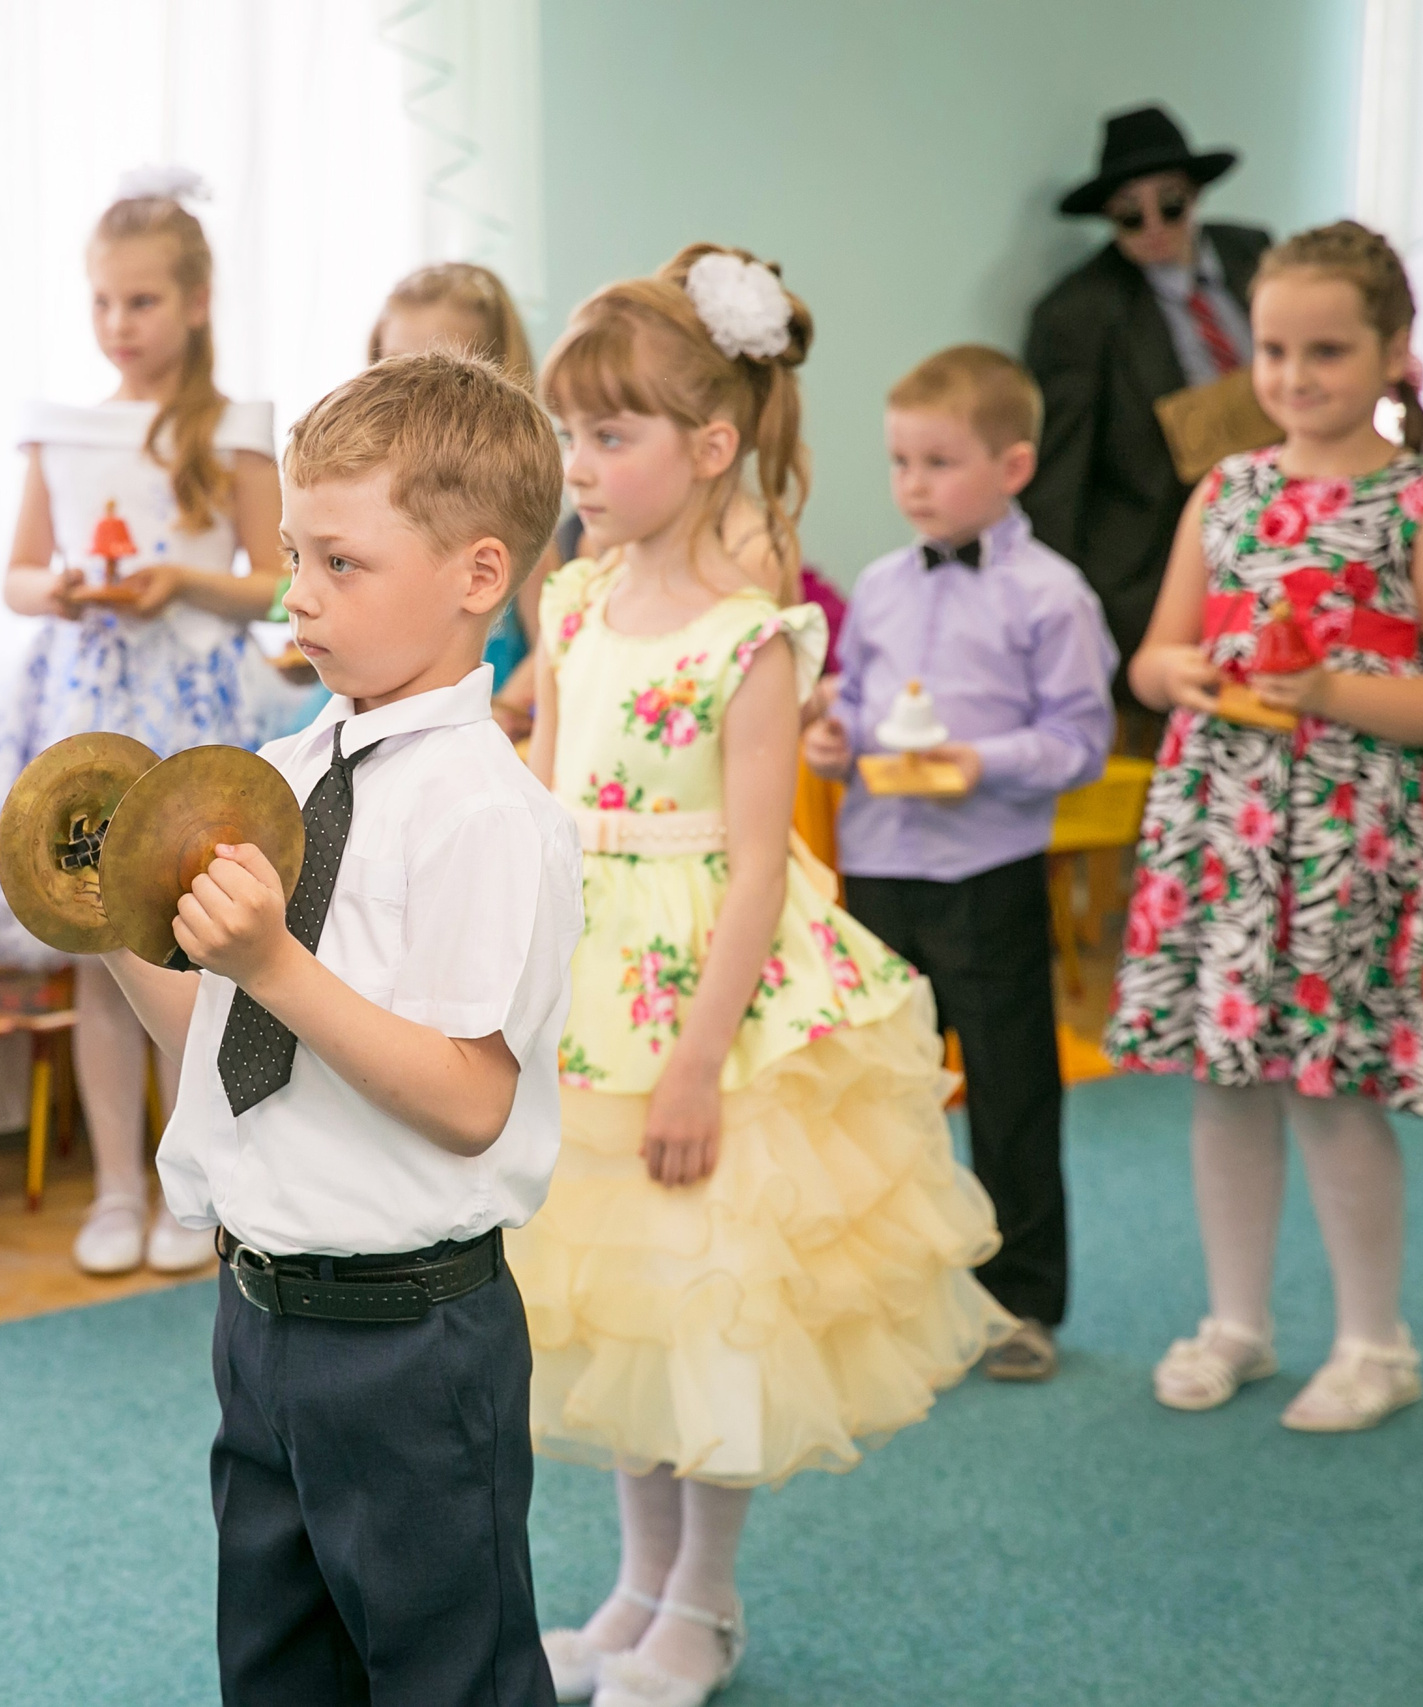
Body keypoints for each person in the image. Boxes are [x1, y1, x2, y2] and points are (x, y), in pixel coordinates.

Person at [513, 248, 1010, 1707]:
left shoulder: (755, 638)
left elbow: (757, 864)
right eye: (570, 433)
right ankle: (631, 1582)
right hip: (587, 986)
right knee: (620, 1309)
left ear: (710, 444)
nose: (580, 464)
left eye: (613, 435)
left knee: (709, 1296)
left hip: (703, 1003)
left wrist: (691, 1061)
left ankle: (704, 1602)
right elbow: (544, 808)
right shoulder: (572, 605)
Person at [102, 350, 580, 1705]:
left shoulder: (487, 813)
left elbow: (467, 1095)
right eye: (291, 554)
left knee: (449, 1675)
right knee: (275, 1667)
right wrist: (123, 930)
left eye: (341, 563)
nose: (295, 593)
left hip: (410, 1339)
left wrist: (276, 958)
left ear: (478, 577)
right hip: (258, 1308)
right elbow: (224, 1032)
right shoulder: (296, 763)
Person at [1107, 222, 1423, 1433]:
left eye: (1326, 350)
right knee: (1225, 1085)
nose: (1293, 375)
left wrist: (1332, 693)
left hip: (1353, 842)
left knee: (1331, 1090)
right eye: (1274, 350)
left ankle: (1372, 1340)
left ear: (1393, 351)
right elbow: (1152, 657)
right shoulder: (1224, 490)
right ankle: (1237, 1319)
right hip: (1224, 836)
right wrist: (1182, 673)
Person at [0, 169, 285, 1278]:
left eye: (143, 302)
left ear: (197, 300)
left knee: (199, 948)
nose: (120, 326)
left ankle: (196, 1189)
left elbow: (272, 581)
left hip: (195, 711)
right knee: (98, 957)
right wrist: (69, 586)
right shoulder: (63, 435)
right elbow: (19, 578)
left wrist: (178, 578)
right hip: (82, 709)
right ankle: (117, 1188)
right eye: (103, 303)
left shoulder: (236, 431)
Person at [804, 345, 1117, 1383]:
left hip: (985, 874)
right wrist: (834, 738)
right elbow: (850, 697)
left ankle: (1023, 1299)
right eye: (899, 462)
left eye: (938, 463)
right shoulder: (885, 585)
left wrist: (977, 761)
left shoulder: (1051, 594)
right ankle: (892, 1285)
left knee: (1009, 1088)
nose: (912, 486)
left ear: (1012, 468)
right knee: (883, 1085)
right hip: (881, 868)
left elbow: (1078, 740)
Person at [1026, 105, 1270, 737]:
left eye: (1171, 204)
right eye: (1130, 215)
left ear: (1196, 196)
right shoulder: (1078, 313)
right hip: (1154, 566)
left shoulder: (1256, 257)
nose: (1155, 227)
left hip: (1275, 536)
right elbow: (1057, 479)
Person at [367, 262, 549, 736]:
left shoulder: (513, 505)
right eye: (391, 366)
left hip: (473, 712)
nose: (407, 391)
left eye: (433, 369)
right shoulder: (369, 494)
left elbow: (558, 637)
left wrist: (500, 714)